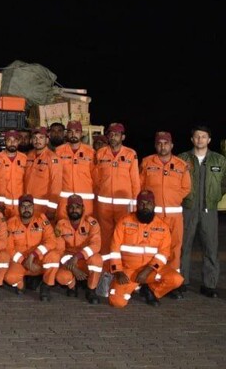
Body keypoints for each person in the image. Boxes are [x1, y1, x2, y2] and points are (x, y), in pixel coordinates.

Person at [107, 190, 184, 307]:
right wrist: (118, 271)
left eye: (149, 203)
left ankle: (150, 290)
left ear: (154, 205)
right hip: (128, 271)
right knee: (117, 302)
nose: (145, 207)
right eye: (141, 203)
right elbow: (114, 248)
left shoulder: (162, 227)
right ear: (137, 205)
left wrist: (148, 270)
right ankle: (133, 286)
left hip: (151, 271)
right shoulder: (124, 222)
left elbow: (163, 253)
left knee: (176, 279)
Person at [139, 131, 190, 299]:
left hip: (174, 215)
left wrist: (173, 199)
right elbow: (140, 186)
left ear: (171, 145)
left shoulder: (181, 165)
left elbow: (186, 188)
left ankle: (172, 285)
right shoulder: (147, 162)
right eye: (160, 143)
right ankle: (149, 282)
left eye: (166, 143)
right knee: (152, 248)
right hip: (154, 215)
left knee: (175, 248)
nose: (163, 146)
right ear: (156, 145)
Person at [178, 125, 226, 298]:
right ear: (192, 139)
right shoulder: (182, 159)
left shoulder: (219, 160)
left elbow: (224, 183)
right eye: (197, 136)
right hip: (188, 208)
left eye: (204, 137)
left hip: (209, 210)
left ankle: (209, 285)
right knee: (184, 246)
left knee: (211, 247)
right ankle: (181, 282)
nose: (200, 139)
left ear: (209, 140)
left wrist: (214, 196)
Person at [93, 123, 140, 258]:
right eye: (111, 134)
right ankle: (106, 265)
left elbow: (135, 180)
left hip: (124, 204)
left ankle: (122, 264)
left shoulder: (130, 154)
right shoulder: (101, 153)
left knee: (123, 234)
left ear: (122, 137)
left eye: (117, 135)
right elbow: (96, 178)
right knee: (105, 235)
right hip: (104, 204)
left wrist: (135, 203)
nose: (113, 137)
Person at [4, 194, 60, 301]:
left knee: (54, 256)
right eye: (23, 206)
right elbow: (8, 248)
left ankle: (46, 286)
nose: (26, 209)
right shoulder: (10, 224)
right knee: (9, 277)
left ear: (33, 207)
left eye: (29, 206)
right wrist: (24, 261)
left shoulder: (42, 220)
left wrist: (34, 254)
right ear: (18, 208)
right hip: (20, 262)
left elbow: (51, 241)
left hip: (38, 261)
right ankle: (20, 284)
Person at [53, 194, 102, 304]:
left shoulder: (92, 223)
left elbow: (96, 245)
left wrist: (77, 257)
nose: (74, 210)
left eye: (77, 207)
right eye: (71, 207)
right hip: (69, 261)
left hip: (85, 259)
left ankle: (91, 290)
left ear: (83, 208)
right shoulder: (60, 225)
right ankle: (72, 286)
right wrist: (73, 267)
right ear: (66, 209)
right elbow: (59, 250)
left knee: (97, 259)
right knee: (61, 277)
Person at [54, 121, 95, 220]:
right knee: (63, 226)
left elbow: (96, 177)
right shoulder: (58, 151)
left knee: (85, 226)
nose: (73, 134)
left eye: (77, 131)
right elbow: (55, 176)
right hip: (64, 201)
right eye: (70, 131)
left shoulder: (90, 152)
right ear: (66, 133)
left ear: (81, 133)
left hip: (85, 201)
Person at [23, 127, 62, 219]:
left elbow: (56, 185)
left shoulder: (53, 158)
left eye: (41, 137)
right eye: (35, 138)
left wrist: (52, 209)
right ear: (31, 140)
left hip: (44, 209)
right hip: (27, 206)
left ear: (47, 140)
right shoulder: (29, 156)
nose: (37, 140)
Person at [0, 130, 27, 218]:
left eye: (15, 140)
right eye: (9, 140)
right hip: (2, 205)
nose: (12, 143)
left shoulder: (25, 159)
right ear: (5, 141)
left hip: (20, 205)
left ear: (19, 141)